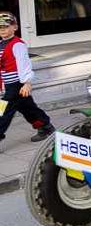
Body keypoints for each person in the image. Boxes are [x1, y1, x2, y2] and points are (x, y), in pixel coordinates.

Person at [0, 12, 55, 145]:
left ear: (15, 27)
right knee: (28, 108)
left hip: (17, 85)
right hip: (9, 84)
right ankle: (45, 126)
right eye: (0, 27)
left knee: (3, 111)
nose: (3, 30)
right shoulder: (1, 44)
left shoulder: (17, 45)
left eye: (6, 26)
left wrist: (27, 82)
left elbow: (24, 64)